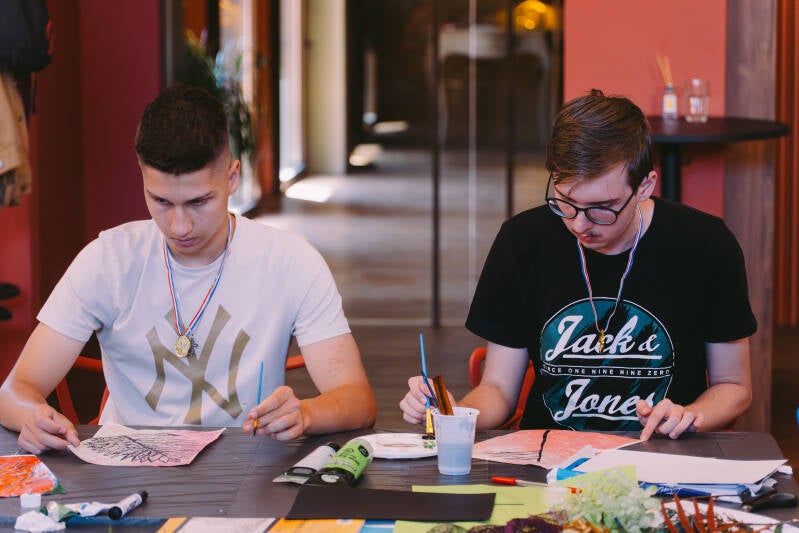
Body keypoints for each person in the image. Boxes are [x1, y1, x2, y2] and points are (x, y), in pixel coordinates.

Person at [0, 84, 377, 453]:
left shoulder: (291, 261)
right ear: (142, 177)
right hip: (126, 470)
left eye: (199, 202)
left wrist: (306, 414)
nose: (179, 226)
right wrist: (33, 416)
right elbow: (14, 391)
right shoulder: (107, 261)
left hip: (247, 469)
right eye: (161, 201)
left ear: (232, 177)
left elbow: (357, 400)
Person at [400, 89, 754, 440]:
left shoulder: (705, 244)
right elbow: (498, 390)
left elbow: (734, 386)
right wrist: (454, 414)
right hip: (546, 455)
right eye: (565, 201)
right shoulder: (523, 241)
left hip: (662, 454)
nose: (579, 224)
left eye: (602, 208)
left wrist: (690, 416)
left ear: (645, 186)